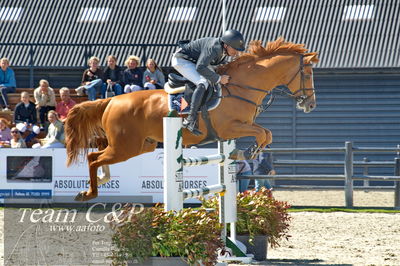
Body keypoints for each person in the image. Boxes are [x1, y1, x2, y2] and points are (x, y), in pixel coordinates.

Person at [171, 29, 245, 135]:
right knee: (203, 82)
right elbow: (200, 67)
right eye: (235, 49)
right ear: (226, 45)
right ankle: (190, 119)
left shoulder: (223, 49)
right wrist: (219, 79)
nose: (236, 52)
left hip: (195, 60)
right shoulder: (214, 48)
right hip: (182, 60)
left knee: (211, 77)